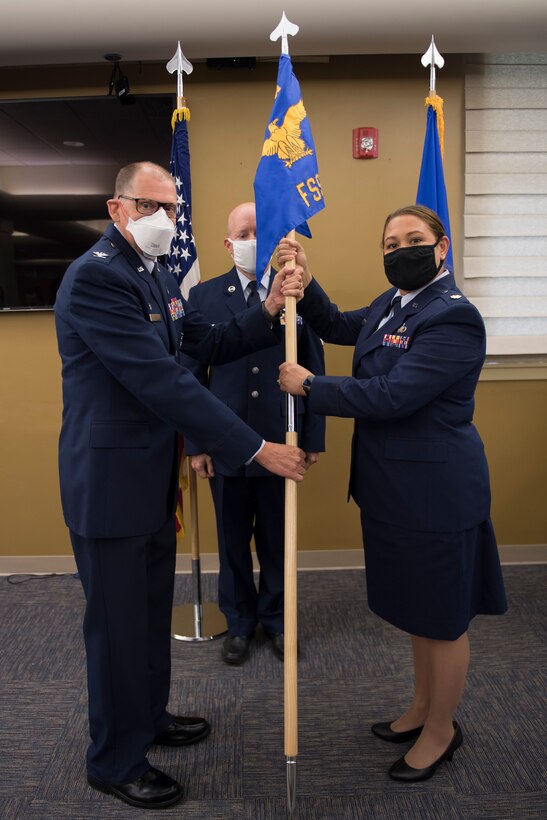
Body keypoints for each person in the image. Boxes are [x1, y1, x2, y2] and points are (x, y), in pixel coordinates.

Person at [54, 162, 307, 810]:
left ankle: (149, 720)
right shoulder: (95, 280)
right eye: (152, 206)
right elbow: (162, 381)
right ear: (118, 209)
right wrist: (255, 448)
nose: (167, 220)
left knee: (146, 617)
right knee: (116, 629)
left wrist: (272, 306)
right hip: (108, 488)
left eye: (173, 207)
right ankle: (113, 760)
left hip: (148, 482)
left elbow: (209, 342)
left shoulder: (155, 272)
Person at [277, 205, 507, 783]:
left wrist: (309, 386)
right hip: (392, 488)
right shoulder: (390, 304)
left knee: (444, 618)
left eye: (413, 239)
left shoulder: (453, 318)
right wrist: (305, 271)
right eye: (389, 242)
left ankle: (442, 730)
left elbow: (391, 396)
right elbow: (332, 323)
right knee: (417, 611)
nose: (399, 250)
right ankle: (422, 708)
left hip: (437, 492)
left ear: (442, 246)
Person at [179, 202, 325, 665]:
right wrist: (196, 445)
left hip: (281, 441)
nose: (253, 240)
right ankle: (239, 622)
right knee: (233, 540)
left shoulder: (296, 293)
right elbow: (188, 376)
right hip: (225, 445)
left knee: (279, 541)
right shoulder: (202, 297)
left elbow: (314, 366)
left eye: (262, 231)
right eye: (244, 232)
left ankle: (279, 620)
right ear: (228, 244)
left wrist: (311, 436)